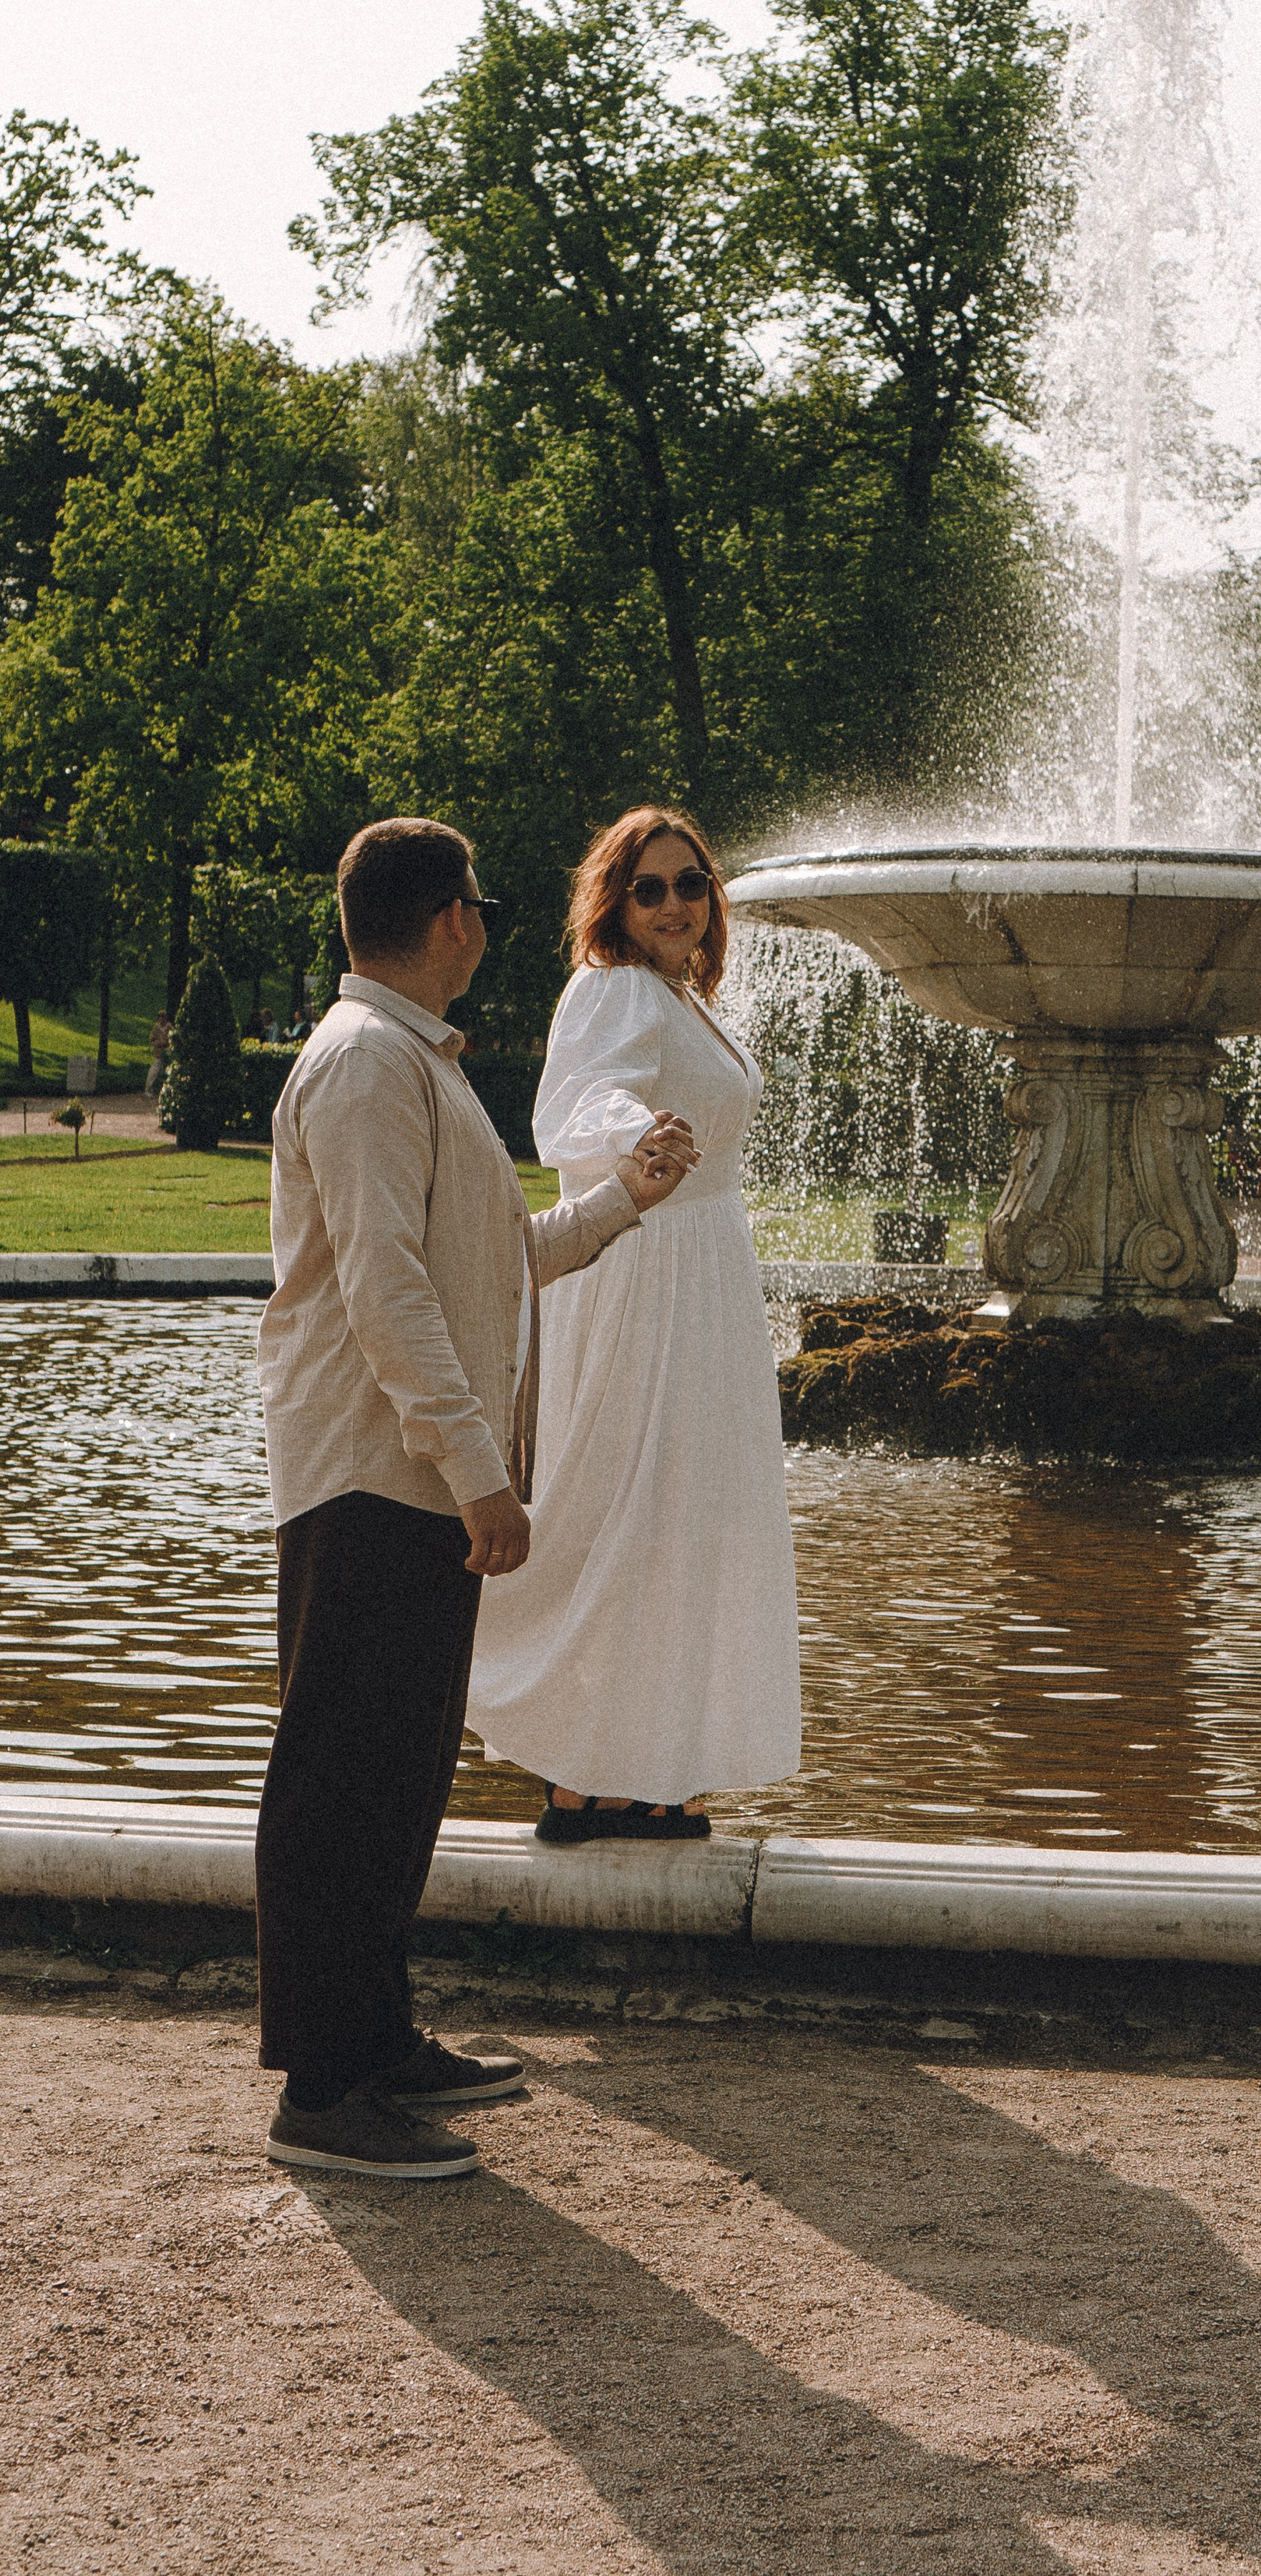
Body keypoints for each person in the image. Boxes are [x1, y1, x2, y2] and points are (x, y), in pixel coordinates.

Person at [253, 816, 698, 2181]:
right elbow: (385, 1290)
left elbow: (491, 1264)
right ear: (451, 918)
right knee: (343, 1777)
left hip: (409, 1479)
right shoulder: (365, 1067)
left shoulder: (411, 1064)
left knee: (399, 1771)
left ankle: (375, 2040)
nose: (489, 928)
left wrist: (624, 1197)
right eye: (481, 907)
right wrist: (478, 1476)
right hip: (375, 1475)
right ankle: (323, 2090)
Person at [465, 805, 801, 1841]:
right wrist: (638, 1135)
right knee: (621, 1501)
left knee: (687, 1518)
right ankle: (576, 1774)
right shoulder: (610, 986)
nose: (671, 904)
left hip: (705, 1276)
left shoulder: (683, 996)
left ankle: (654, 1768)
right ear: (615, 901)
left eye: (689, 883)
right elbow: (574, 1104)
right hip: (645, 1267)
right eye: (648, 888)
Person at [144, 1008, 172, 1099]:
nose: (161, 1019)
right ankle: (148, 1090)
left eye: (163, 1017)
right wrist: (157, 1044)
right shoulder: (156, 1028)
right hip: (158, 1053)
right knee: (154, 1071)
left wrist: (167, 1043)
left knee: (169, 1072)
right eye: (160, 1017)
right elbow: (151, 1040)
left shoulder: (170, 1027)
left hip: (168, 1053)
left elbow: (173, 1039)